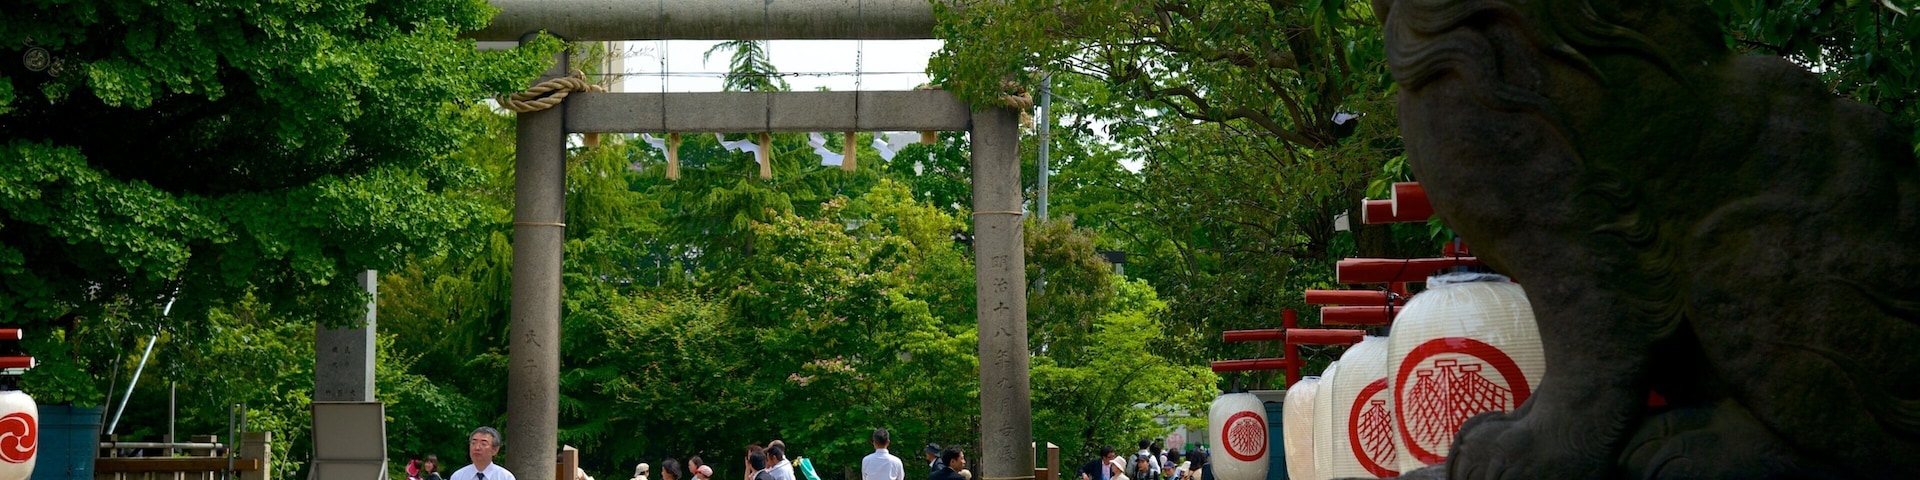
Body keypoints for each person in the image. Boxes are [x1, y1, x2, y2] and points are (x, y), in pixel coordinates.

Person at [450, 427, 515, 480]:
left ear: (495, 450)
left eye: (483, 444)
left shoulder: (505, 477)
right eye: (473, 443)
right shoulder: (458, 476)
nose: (477, 448)